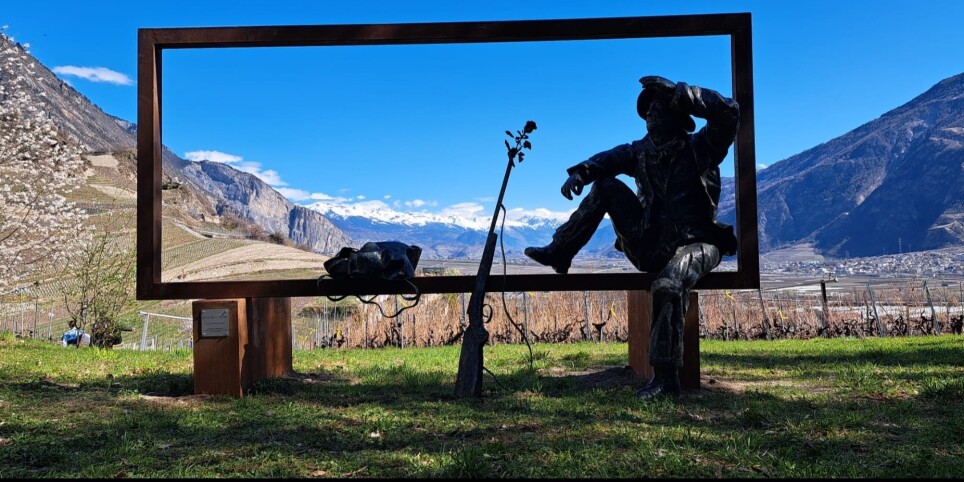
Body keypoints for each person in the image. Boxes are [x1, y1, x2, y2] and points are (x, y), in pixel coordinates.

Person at [524, 75, 740, 399]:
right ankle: (560, 252)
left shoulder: (701, 148)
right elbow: (609, 159)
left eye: (659, 106)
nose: (652, 112)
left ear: (678, 114)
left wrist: (680, 92)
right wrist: (582, 171)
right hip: (649, 244)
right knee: (606, 186)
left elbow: (729, 111)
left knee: (669, 284)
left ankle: (666, 378)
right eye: (648, 108)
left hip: (696, 243)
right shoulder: (639, 152)